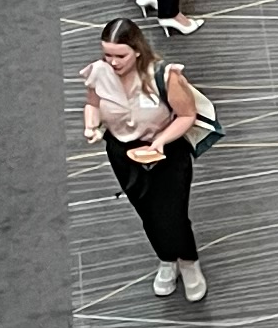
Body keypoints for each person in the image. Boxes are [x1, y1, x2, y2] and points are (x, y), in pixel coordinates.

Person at [81, 15, 208, 301]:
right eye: (107, 55)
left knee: (173, 214)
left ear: (137, 50)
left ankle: (189, 262)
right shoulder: (98, 73)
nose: (112, 62)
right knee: (147, 214)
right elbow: (92, 104)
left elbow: (187, 115)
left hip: (167, 151)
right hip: (123, 153)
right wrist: (91, 125)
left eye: (119, 56)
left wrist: (160, 141)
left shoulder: (163, 75)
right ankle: (166, 259)